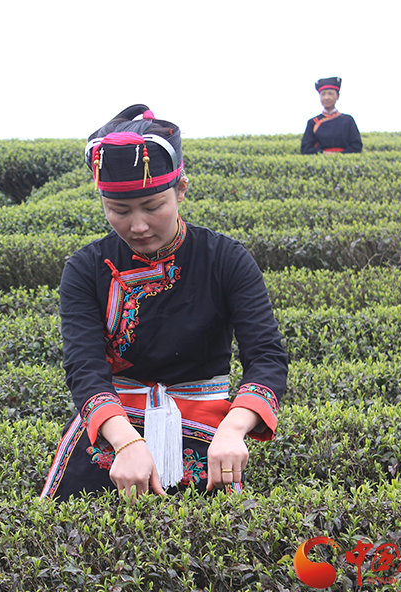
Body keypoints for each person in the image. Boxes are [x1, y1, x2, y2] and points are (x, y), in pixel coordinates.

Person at [40, 105, 288, 501]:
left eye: (153, 207)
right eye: (118, 211)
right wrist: (125, 443)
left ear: (182, 190)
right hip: (114, 423)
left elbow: (266, 357)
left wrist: (234, 428)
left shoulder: (226, 259)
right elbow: (85, 367)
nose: (137, 226)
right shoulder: (86, 268)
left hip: (206, 420)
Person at [301, 77, 363, 154]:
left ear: (337, 96)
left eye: (330, 93)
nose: (326, 97)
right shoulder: (313, 122)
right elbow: (306, 149)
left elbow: (356, 146)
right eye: (323, 94)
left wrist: (340, 155)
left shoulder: (348, 120)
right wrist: (323, 154)